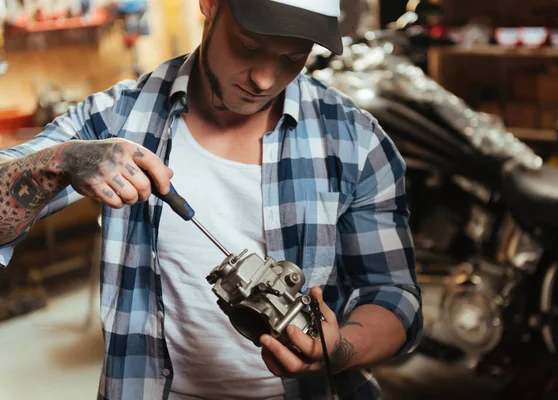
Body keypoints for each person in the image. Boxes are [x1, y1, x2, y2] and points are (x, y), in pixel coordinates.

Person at [0, 0, 423, 399]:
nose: (264, 78)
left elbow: (392, 293)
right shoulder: (118, 118)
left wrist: (337, 350)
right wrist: (61, 160)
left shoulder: (355, 141)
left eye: (293, 57)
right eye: (249, 45)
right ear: (210, 5)